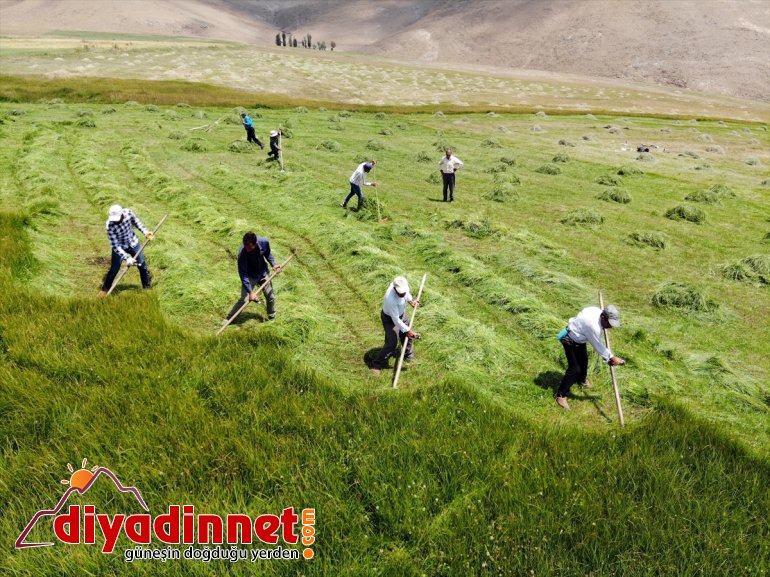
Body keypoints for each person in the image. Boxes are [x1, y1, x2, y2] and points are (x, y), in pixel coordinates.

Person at [555, 305, 625, 410]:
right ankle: (561, 395)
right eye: (609, 323)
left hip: (580, 337)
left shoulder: (596, 311)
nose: (610, 327)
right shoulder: (592, 326)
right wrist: (612, 357)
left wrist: (610, 358)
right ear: (603, 317)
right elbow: (598, 346)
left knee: (584, 361)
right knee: (575, 369)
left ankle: (581, 380)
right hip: (570, 339)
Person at [224, 232, 282, 323]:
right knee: (244, 299)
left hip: (262, 273)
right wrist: (250, 292)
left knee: (270, 296)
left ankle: (272, 317)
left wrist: (274, 264)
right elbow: (243, 274)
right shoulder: (242, 253)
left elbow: (268, 254)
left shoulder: (264, 242)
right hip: (249, 275)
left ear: (256, 244)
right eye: (246, 247)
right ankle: (229, 319)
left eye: (250, 248)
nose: (247, 250)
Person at [99, 204, 153, 296]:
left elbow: (137, 223)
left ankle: (147, 288)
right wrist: (127, 258)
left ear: (121, 214)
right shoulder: (109, 225)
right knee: (114, 269)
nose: (115, 221)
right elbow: (115, 246)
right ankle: (105, 290)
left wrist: (146, 232)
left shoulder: (128, 213)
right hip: (120, 247)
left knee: (142, 265)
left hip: (133, 242)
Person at [370, 276, 420, 375]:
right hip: (390, 319)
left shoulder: (403, 288)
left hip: (401, 315)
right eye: (400, 293)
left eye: (403, 292)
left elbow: (407, 294)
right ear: (395, 289)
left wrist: (411, 301)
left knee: (407, 336)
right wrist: (407, 330)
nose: (402, 294)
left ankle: (408, 355)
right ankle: (377, 364)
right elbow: (395, 320)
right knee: (392, 343)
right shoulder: (390, 299)